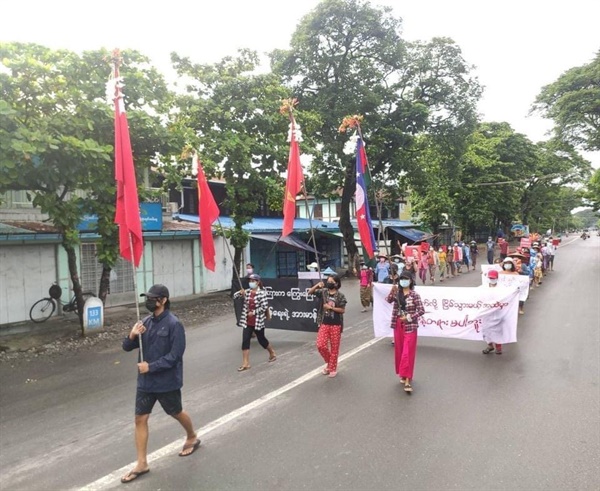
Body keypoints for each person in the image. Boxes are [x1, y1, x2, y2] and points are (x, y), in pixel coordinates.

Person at [121, 284, 199, 484]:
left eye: (153, 298)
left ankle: (191, 436)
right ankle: (141, 463)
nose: (149, 302)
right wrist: (132, 335)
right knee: (140, 418)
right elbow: (127, 347)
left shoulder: (174, 324)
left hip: (166, 382)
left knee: (176, 412)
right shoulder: (145, 322)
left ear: (163, 300)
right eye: (147, 298)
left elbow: (175, 356)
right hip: (145, 383)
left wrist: (151, 366)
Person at [386, 270, 425, 393]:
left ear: (411, 281)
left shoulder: (414, 295)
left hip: (410, 326)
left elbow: (421, 310)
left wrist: (408, 317)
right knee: (400, 350)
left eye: (406, 279)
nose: (403, 281)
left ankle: (408, 379)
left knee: (407, 352)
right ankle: (402, 374)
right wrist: (392, 291)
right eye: (401, 279)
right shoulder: (398, 293)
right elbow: (388, 300)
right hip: (398, 325)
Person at [234, 274, 276, 371]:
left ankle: (272, 352)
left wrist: (254, 312)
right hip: (247, 321)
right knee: (245, 340)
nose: (251, 282)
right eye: (250, 280)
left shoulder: (262, 293)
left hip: (258, 321)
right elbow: (235, 297)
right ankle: (245, 363)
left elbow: (264, 307)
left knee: (262, 340)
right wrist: (240, 293)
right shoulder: (247, 292)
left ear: (258, 282)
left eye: (253, 281)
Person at [308, 275, 347, 378]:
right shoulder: (324, 292)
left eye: (331, 281)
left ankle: (332, 368)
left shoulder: (340, 296)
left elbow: (342, 310)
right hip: (324, 323)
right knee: (320, 345)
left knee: (334, 348)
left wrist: (330, 307)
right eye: (328, 281)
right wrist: (317, 285)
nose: (329, 283)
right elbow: (309, 292)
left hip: (336, 324)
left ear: (336, 284)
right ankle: (330, 363)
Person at [482, 270, 503, 354]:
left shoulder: (502, 288)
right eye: (490, 278)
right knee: (486, 329)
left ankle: (498, 347)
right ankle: (490, 345)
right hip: (486, 312)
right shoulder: (483, 287)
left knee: (497, 330)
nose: (492, 279)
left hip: (497, 312)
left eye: (493, 278)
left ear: (497, 278)